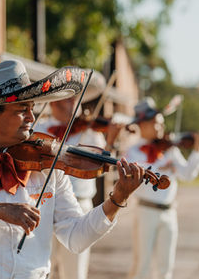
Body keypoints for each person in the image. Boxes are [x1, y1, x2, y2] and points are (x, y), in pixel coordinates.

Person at [0, 60, 146, 279]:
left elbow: (76, 237)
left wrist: (117, 198)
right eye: (21, 109)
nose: (31, 117)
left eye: (32, 107)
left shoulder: (48, 165)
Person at [35, 71, 122, 279]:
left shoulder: (91, 132)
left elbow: (103, 165)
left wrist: (110, 141)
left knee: (75, 273)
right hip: (46, 205)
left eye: (74, 99)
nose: (72, 104)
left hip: (79, 205)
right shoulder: (40, 129)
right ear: (54, 103)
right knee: (42, 268)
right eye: (66, 100)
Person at [125, 98, 199, 279]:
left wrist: (198, 150)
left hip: (169, 212)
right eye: (155, 123)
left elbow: (187, 174)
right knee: (141, 265)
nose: (160, 127)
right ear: (142, 124)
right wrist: (159, 169)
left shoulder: (169, 150)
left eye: (161, 123)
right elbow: (136, 172)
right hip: (146, 210)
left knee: (165, 266)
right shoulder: (133, 151)